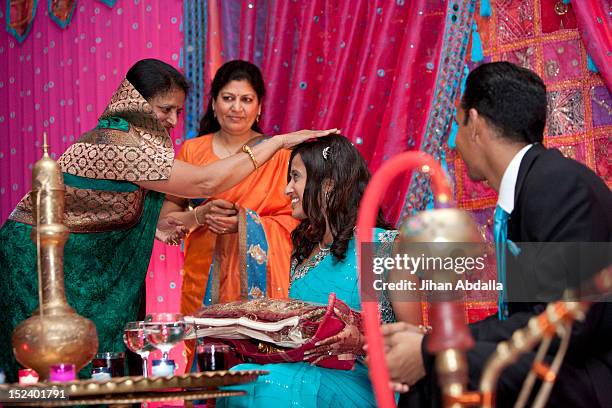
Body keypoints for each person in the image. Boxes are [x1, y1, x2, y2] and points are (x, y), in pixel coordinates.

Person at [0, 58, 336, 382]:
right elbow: (206, 183)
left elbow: (109, 209)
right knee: (52, 369)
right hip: (37, 261)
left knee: (90, 364)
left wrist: (167, 223)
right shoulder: (119, 144)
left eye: (178, 110)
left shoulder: (128, 141)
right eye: (165, 109)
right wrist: (276, 141)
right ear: (135, 104)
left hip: (72, 264)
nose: (173, 120)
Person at [383, 62, 612, 407]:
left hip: (590, 376)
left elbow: (565, 324)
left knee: (439, 378)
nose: (455, 142)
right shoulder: (537, 184)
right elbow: (524, 318)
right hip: (563, 361)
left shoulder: (556, 185)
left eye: (457, 126)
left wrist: (433, 351)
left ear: (474, 123)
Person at [217, 135, 422, 408]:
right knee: (235, 380)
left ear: (327, 187)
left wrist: (360, 342)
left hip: (369, 384)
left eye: (295, 178)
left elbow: (416, 339)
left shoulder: (384, 248)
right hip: (306, 372)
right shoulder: (303, 253)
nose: (287, 189)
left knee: (265, 386)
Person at [155, 60, 300, 367]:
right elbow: (166, 219)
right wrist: (200, 214)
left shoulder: (278, 155)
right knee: (205, 366)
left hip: (261, 288)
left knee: (256, 368)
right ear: (213, 102)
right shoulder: (193, 152)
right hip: (201, 278)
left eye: (246, 99)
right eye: (228, 98)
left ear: (259, 106)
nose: (237, 108)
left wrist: (245, 224)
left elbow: (296, 223)